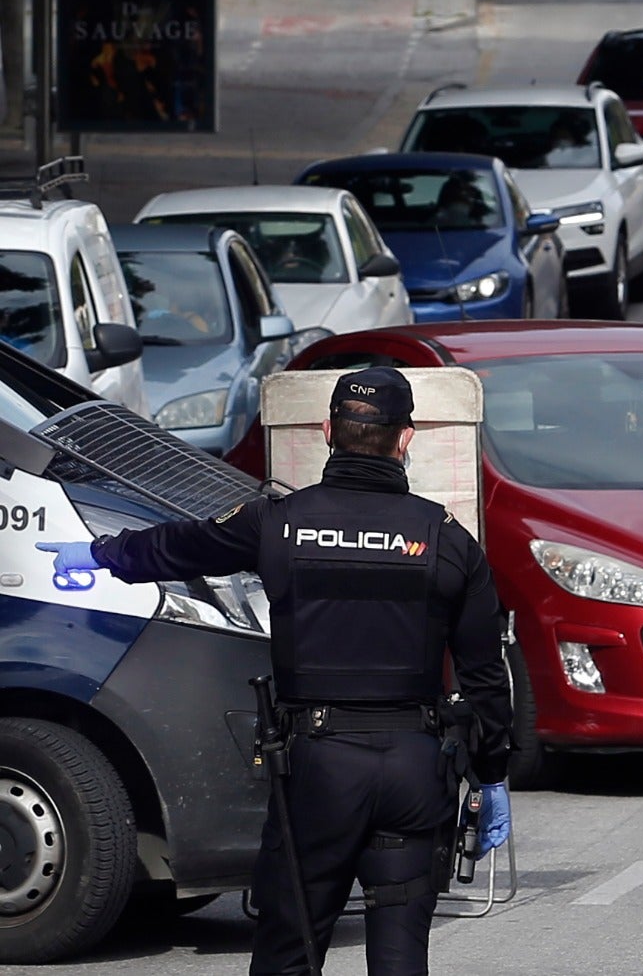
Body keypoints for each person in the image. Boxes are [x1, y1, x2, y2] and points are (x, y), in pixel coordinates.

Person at [35, 367, 513, 975]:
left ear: (327, 431)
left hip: (319, 767)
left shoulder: (278, 522)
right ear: (406, 438)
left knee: (292, 946)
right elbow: (484, 674)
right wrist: (493, 774)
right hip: (415, 767)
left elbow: (178, 546)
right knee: (400, 952)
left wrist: (100, 553)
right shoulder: (447, 538)